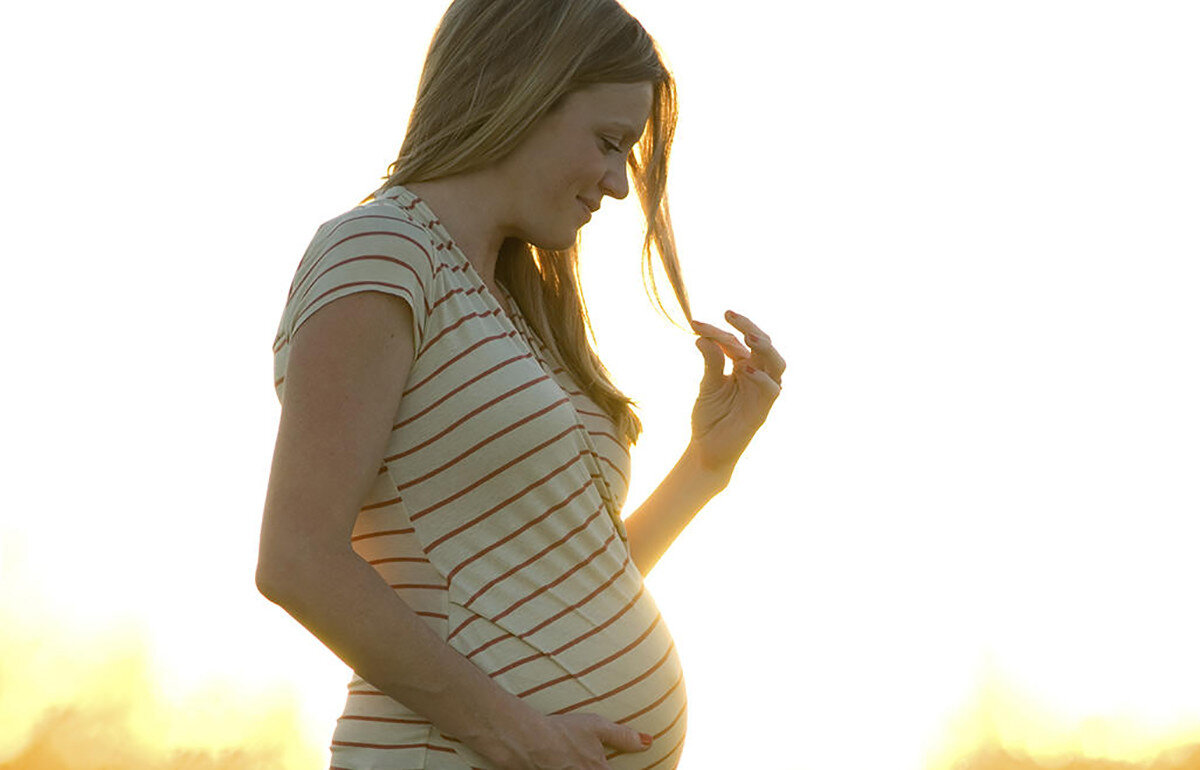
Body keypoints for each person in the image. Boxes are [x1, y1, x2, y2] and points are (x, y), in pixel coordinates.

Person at [256, 0, 784, 768]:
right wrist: (520, 736)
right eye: (608, 144)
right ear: (521, 90)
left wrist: (705, 468)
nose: (616, 184)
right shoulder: (382, 253)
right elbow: (297, 559)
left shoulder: (509, 303)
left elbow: (560, 590)